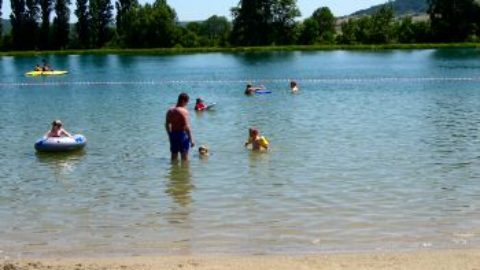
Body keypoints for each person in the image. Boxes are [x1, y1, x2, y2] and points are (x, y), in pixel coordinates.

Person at [165, 93, 195, 161]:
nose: (187, 104)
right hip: (182, 135)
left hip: (173, 135)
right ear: (184, 101)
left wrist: (170, 134)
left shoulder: (170, 111)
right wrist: (191, 139)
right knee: (184, 159)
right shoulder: (184, 111)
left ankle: (173, 171)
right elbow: (186, 126)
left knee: (173, 157)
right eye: (187, 102)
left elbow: (167, 124)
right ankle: (184, 171)